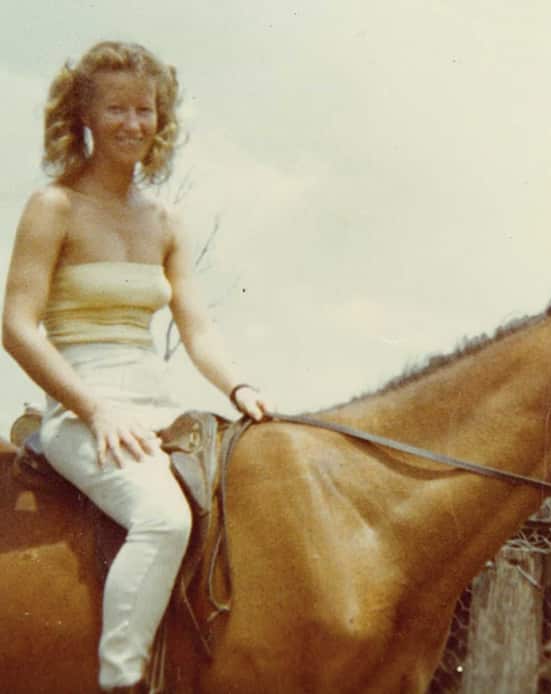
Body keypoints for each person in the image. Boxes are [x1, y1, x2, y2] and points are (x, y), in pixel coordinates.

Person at [1, 41, 274, 693]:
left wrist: (237, 385)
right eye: (116, 109)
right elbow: (15, 326)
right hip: (80, 410)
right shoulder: (54, 207)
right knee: (163, 518)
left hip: (159, 406)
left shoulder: (164, 219)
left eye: (145, 110)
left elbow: (196, 328)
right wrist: (94, 409)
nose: (133, 124)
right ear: (85, 119)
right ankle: (120, 681)